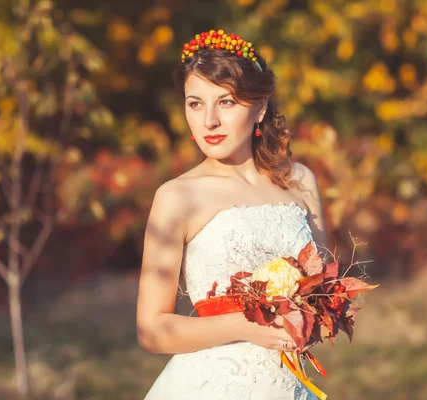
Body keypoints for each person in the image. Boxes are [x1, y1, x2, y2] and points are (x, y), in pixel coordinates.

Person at [136, 28, 328, 400]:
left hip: (289, 385)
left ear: (259, 107)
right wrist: (248, 326)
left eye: (225, 102)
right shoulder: (178, 196)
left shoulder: (300, 181)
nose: (208, 120)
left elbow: (323, 292)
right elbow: (151, 330)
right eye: (195, 103)